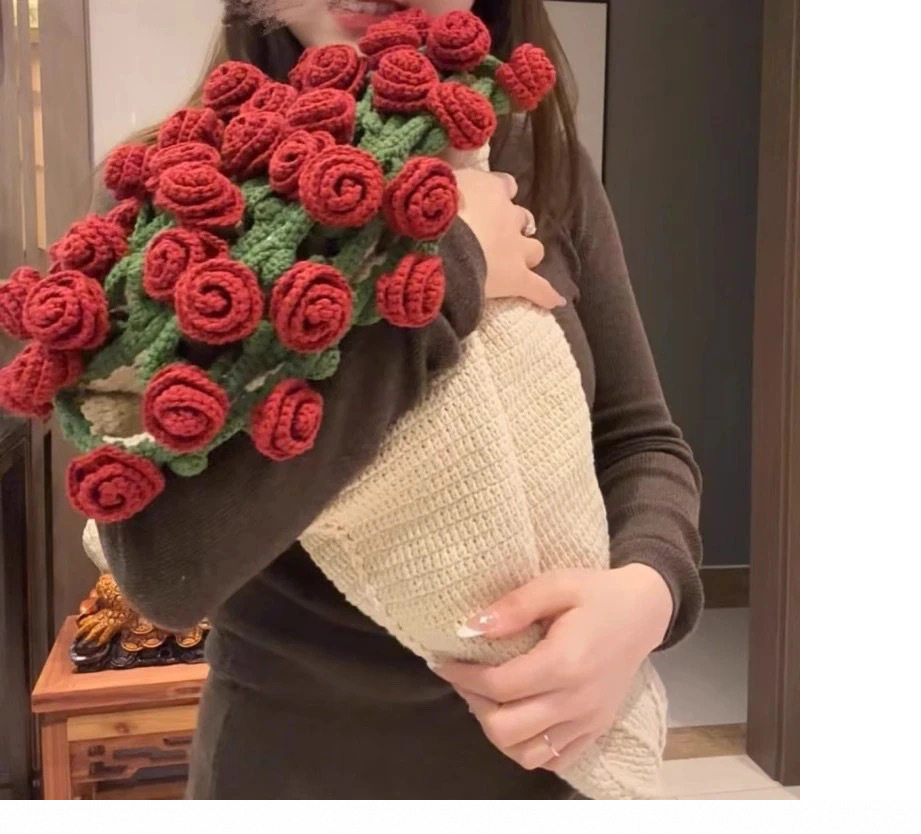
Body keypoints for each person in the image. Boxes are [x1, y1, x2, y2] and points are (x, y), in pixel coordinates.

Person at [95, 0, 704, 799]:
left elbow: (638, 440)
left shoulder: (539, 162)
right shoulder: (173, 198)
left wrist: (646, 595)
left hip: (554, 772)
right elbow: (165, 569)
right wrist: (454, 267)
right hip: (292, 772)